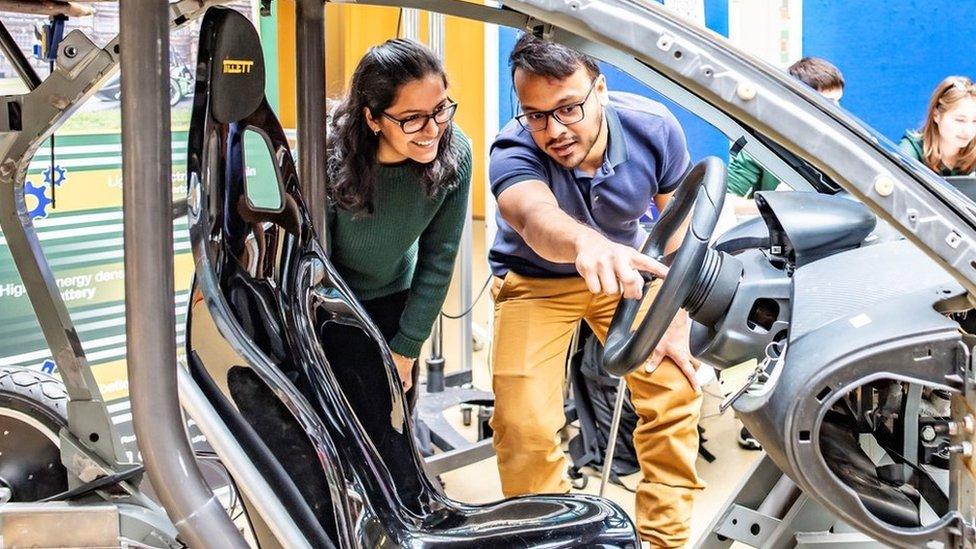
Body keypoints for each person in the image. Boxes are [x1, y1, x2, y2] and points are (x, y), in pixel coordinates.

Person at [488, 34, 703, 546]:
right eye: (535, 114)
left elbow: (678, 222)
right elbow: (535, 218)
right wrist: (586, 242)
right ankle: (549, 539)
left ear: (600, 89)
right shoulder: (512, 147)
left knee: (676, 391)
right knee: (523, 423)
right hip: (536, 281)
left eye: (568, 108)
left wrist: (676, 312)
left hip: (625, 273)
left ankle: (664, 540)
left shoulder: (654, 127)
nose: (553, 130)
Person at [321, 38, 471, 412]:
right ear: (373, 118)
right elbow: (307, 259)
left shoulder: (456, 153)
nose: (432, 129)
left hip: (393, 295)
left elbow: (440, 256)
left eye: (440, 110)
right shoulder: (325, 157)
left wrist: (407, 346)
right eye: (412, 118)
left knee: (391, 419)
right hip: (328, 299)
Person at [726, 56, 846, 215]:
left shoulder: (844, 143)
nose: (836, 110)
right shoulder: (760, 143)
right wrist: (777, 203)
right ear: (799, 102)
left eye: (838, 101)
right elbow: (726, 203)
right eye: (828, 102)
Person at [900, 76, 976, 176]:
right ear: (936, 115)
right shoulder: (911, 149)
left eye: (975, 121)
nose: (968, 131)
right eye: (960, 120)